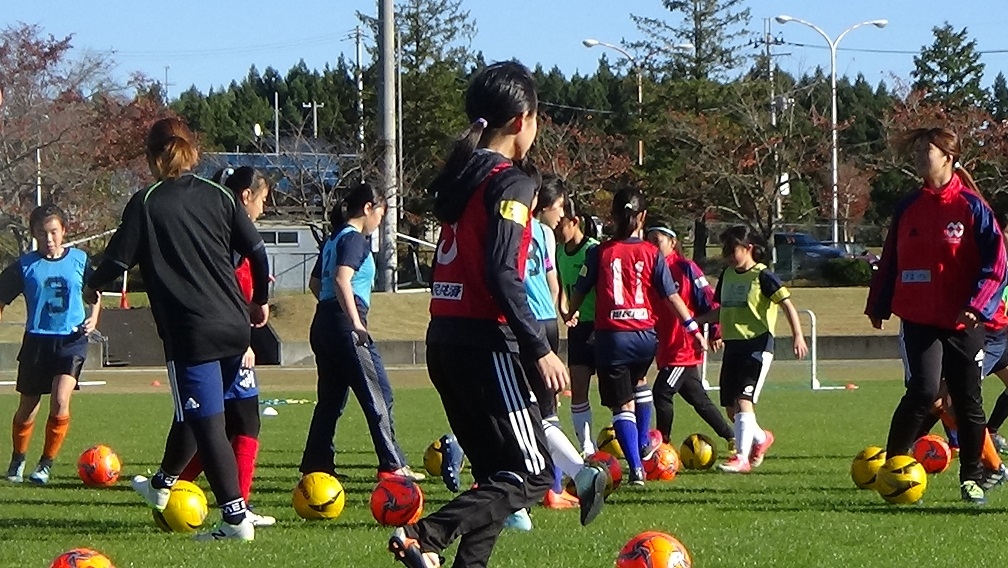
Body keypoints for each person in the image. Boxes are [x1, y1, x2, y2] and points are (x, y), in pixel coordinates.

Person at [387, 61, 567, 568]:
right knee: (534, 475)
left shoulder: (462, 175)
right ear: (522, 120)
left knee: (496, 477)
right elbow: (502, 272)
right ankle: (424, 535)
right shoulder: (510, 182)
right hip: (483, 343)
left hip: (445, 338)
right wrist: (539, 348)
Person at [86, 117, 271, 540]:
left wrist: (92, 285)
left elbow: (116, 262)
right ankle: (160, 485)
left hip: (193, 333)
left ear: (153, 158)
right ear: (194, 152)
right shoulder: (219, 195)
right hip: (235, 326)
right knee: (196, 411)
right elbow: (258, 251)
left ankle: (235, 520)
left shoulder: (148, 202)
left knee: (207, 423)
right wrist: (258, 299)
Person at [866, 126, 1006, 505]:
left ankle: (972, 478)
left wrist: (979, 304)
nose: (917, 158)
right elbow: (891, 259)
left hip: (964, 321)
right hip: (919, 318)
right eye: (915, 152)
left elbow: (997, 263)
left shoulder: (972, 206)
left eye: (924, 151)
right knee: (923, 391)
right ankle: (893, 468)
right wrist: (878, 303)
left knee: (967, 399)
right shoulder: (908, 206)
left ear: (948, 157)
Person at [567, 188, 707, 485]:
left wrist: (570, 312)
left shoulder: (600, 252)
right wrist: (693, 328)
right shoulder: (652, 253)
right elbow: (671, 296)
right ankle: (644, 443)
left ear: (613, 216)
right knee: (640, 382)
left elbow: (580, 290)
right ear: (642, 217)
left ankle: (636, 468)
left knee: (622, 406)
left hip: (613, 337)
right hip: (645, 336)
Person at [300, 181, 423, 482]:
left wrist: (331, 309)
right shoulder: (355, 239)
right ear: (368, 208)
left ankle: (316, 465)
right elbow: (342, 279)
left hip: (323, 323)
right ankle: (392, 465)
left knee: (330, 401)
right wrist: (355, 322)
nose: (380, 220)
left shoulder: (333, 239)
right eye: (381, 213)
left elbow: (316, 284)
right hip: (346, 326)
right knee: (379, 393)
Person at [176, 166, 275, 527]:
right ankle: (236, 507)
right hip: (227, 341)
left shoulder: (212, 230)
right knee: (241, 423)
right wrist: (242, 341)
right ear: (245, 196)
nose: (263, 209)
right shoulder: (231, 236)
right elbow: (226, 292)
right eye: (262, 199)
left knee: (224, 426)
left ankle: (175, 488)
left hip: (217, 338)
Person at [521, 172, 607, 520]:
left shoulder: (517, 228)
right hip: (547, 324)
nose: (561, 214)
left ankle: (570, 478)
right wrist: (563, 310)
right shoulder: (544, 234)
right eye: (558, 206)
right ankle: (553, 486)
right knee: (544, 409)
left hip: (525, 324)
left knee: (525, 411)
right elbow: (552, 278)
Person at [1, 205, 100, 484]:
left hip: (71, 340)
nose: (49, 239)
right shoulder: (25, 266)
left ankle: (45, 464)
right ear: (34, 234)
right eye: (42, 233)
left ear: (64, 231)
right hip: (36, 341)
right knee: (28, 407)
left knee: (60, 400)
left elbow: (94, 293)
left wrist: (93, 318)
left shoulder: (80, 260)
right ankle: (18, 458)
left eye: (54, 232)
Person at [701, 225, 807, 474]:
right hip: (733, 346)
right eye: (725, 250)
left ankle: (741, 457)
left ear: (748, 248)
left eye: (732, 249)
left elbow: (787, 305)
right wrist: (699, 321)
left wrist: (798, 336)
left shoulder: (763, 276)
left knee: (743, 400)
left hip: (757, 346)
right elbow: (723, 309)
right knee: (732, 410)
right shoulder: (727, 275)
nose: (727, 255)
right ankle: (761, 438)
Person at [645, 222, 734, 448]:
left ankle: (662, 446)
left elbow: (706, 298)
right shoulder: (649, 270)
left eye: (658, 241)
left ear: (672, 242)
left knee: (662, 393)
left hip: (683, 347)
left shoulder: (685, 268)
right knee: (698, 399)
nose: (653, 246)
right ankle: (732, 437)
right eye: (650, 241)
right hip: (665, 346)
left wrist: (715, 331)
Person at [555, 197, 599, 455]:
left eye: (561, 225)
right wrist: (564, 310)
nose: (557, 230)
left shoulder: (593, 250)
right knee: (579, 387)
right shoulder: (560, 251)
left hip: (601, 327)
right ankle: (587, 447)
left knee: (615, 392)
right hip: (579, 329)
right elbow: (562, 287)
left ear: (575, 221)